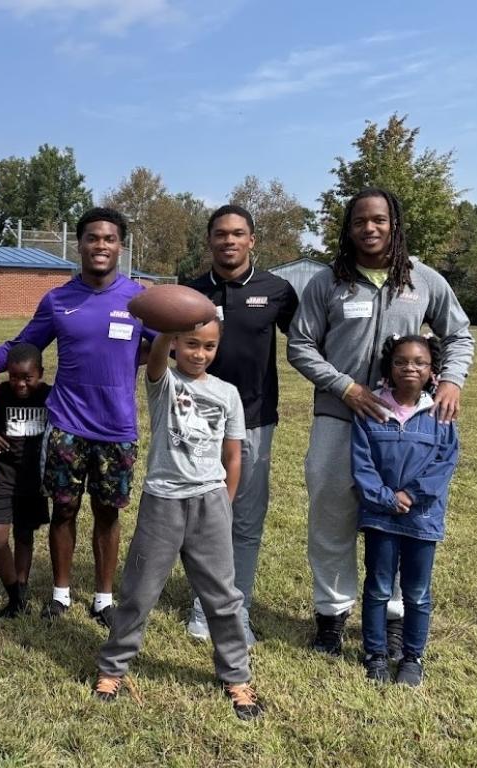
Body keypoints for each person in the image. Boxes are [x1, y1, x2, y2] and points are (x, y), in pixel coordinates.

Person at [287, 187, 474, 658]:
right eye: (359, 222)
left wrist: (450, 380)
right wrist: (346, 387)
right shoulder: (327, 283)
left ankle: (392, 616)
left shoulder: (424, 280)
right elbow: (300, 345)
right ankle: (331, 615)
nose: (369, 229)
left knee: (395, 517)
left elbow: (459, 334)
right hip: (338, 417)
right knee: (331, 517)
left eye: (379, 220)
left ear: (395, 224)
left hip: (402, 428)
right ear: (348, 229)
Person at [0, 207, 152, 627]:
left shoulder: (139, 299)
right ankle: (60, 594)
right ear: (79, 244)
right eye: (92, 238)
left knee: (108, 513)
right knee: (63, 510)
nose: (100, 245)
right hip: (66, 426)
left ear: (120, 246)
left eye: (109, 239)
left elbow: (170, 343)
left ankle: (102, 598)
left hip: (118, 428)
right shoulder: (58, 300)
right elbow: (22, 346)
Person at [93, 321, 263, 721]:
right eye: (190, 344)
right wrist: (167, 328)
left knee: (223, 597)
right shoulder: (163, 382)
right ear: (175, 346)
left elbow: (233, 455)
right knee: (139, 591)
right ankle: (112, 668)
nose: (199, 354)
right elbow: (154, 359)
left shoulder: (227, 393)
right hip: (163, 502)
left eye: (208, 346)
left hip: (210, 503)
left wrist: (225, 500)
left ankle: (236, 676)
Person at [182, 205, 298, 645]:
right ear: (209, 240)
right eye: (220, 234)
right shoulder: (190, 292)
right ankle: (201, 608)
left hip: (254, 420)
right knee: (203, 518)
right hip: (196, 422)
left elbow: (308, 342)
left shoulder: (278, 291)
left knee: (245, 521)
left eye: (238, 234)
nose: (229, 241)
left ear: (252, 240)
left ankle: (236, 608)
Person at [353, 335, 459, 687]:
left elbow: (444, 463)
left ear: (432, 371)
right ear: (389, 368)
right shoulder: (372, 411)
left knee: (417, 592)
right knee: (379, 587)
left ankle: (413, 657)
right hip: (380, 517)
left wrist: (411, 496)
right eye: (401, 362)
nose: (409, 368)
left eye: (419, 362)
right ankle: (376, 654)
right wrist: (385, 497)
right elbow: (362, 463)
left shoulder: (440, 415)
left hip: (422, 519)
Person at [0, 343, 52, 618]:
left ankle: (20, 595)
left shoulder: (49, 396)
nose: (20, 384)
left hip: (34, 479)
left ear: (40, 373)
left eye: (27, 377)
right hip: (3, 476)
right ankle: (12, 592)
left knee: (24, 535)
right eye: (14, 377)